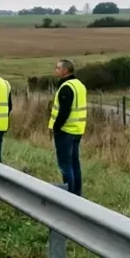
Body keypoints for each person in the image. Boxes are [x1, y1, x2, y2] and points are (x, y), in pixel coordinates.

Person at [49, 59, 88, 196]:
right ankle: (77, 193)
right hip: (77, 129)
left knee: (65, 165)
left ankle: (69, 195)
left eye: (58, 68)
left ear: (65, 70)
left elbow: (64, 111)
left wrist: (56, 127)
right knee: (75, 163)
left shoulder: (66, 87)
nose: (56, 70)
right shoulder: (79, 85)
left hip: (65, 130)